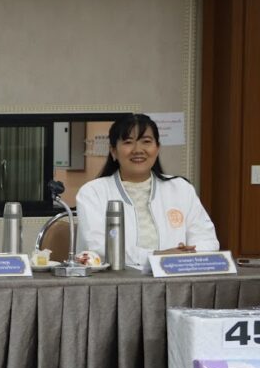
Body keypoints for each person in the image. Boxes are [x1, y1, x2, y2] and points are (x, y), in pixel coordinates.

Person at [76, 113, 218, 268]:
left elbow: (207, 240)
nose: (138, 150)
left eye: (146, 141)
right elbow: (98, 247)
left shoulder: (181, 189)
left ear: (157, 148)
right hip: (115, 280)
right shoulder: (92, 192)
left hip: (176, 278)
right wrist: (158, 256)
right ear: (113, 151)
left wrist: (185, 257)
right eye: (128, 142)